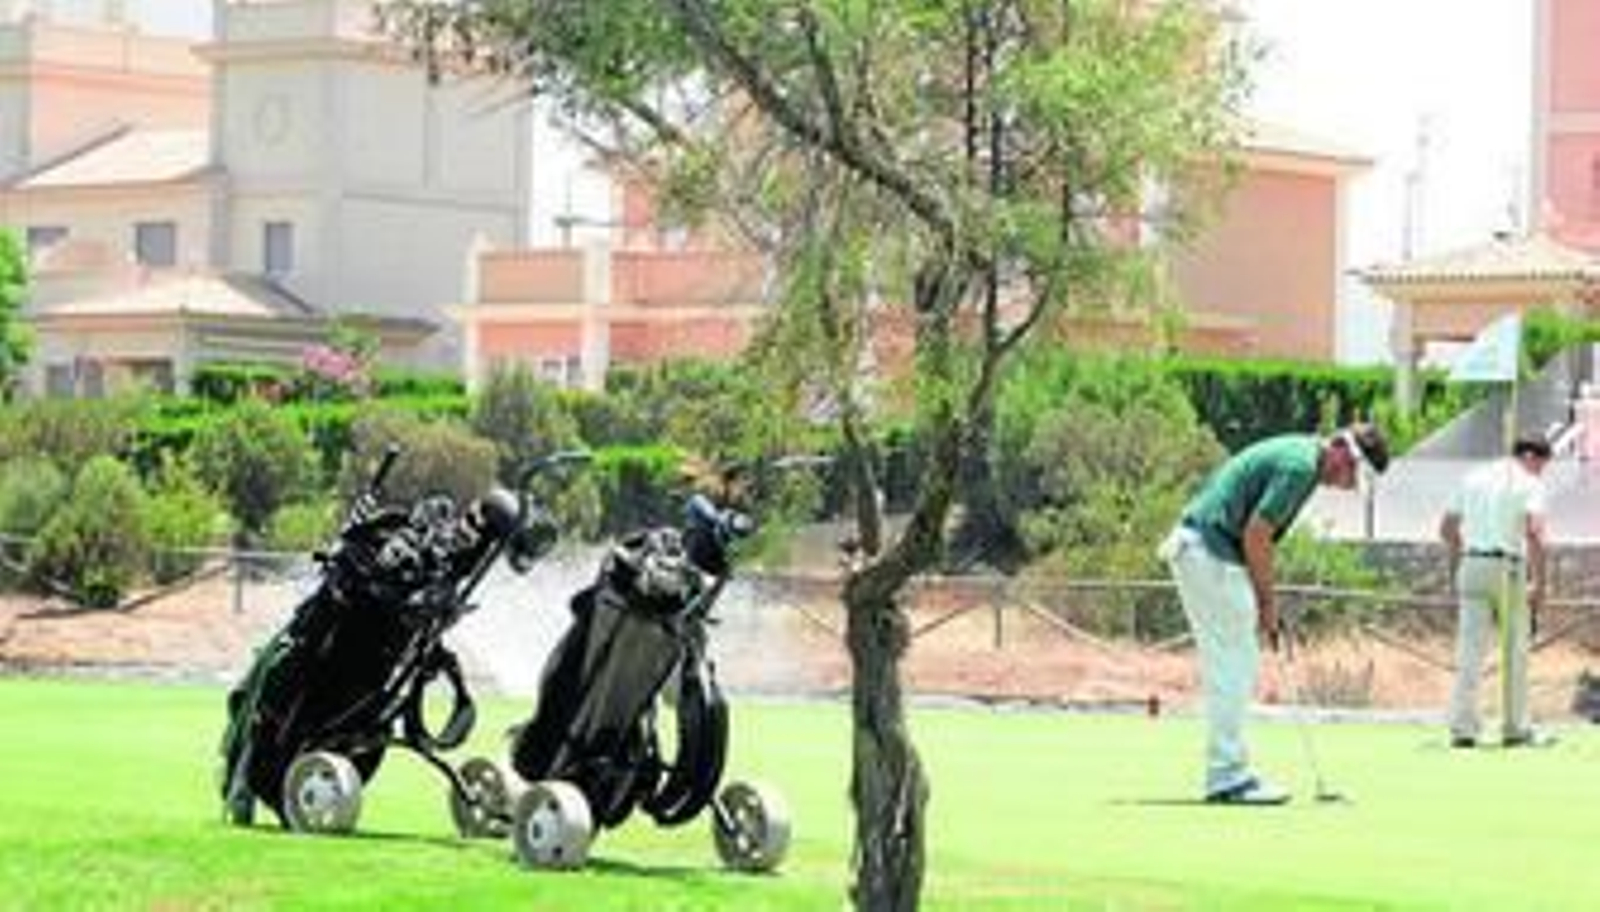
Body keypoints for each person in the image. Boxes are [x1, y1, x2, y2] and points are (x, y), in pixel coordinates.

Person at [1160, 423, 1389, 805]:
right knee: (1235, 665)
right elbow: (1257, 534)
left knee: (1231, 664)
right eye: (1352, 474)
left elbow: (1256, 535)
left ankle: (1227, 770)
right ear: (1342, 452)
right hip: (1209, 552)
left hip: (1198, 550)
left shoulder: (1301, 457)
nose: (1347, 486)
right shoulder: (1300, 467)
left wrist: (1264, 601)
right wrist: (1267, 604)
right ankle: (1227, 776)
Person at [1439, 433, 1552, 749]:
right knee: (1515, 651)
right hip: (1508, 569)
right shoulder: (1529, 483)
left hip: (1472, 564)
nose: (1541, 473)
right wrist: (1540, 585)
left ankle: (1463, 728)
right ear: (1531, 457)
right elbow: (1536, 534)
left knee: (1469, 653)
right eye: (1542, 466)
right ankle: (1515, 727)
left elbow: (1447, 529)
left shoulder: (1472, 477)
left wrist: (1462, 560)